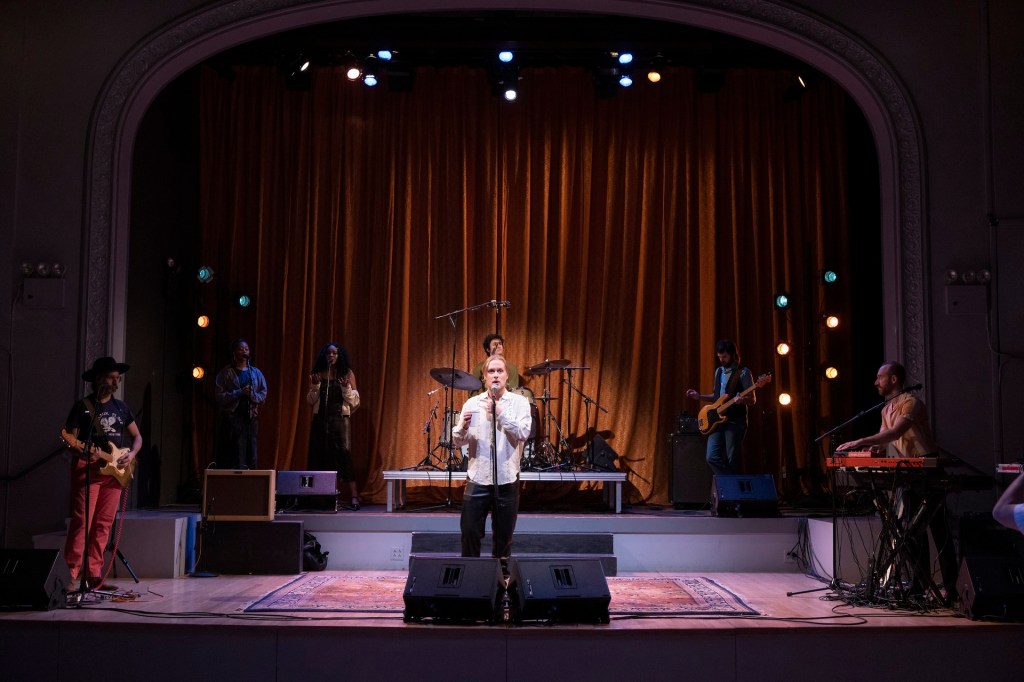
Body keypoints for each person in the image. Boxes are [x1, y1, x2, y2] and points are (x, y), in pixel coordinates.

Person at [837, 361, 958, 599]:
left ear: (893, 379)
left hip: (927, 469)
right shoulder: (885, 410)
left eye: (880, 377)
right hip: (908, 473)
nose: (876, 382)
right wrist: (865, 452)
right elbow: (884, 441)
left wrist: (859, 441)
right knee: (912, 532)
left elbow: (895, 433)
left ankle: (953, 588)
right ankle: (918, 585)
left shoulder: (911, 403)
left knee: (938, 530)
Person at [62, 356, 143, 589]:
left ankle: (93, 574)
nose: (117, 382)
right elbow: (70, 439)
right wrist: (84, 453)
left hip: (114, 473)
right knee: (82, 522)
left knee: (103, 524)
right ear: (100, 379)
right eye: (112, 377)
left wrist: (132, 453)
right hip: (88, 470)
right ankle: (71, 575)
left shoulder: (121, 407)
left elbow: (137, 437)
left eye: (118, 378)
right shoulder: (83, 407)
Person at [452, 355, 532, 566]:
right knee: (469, 531)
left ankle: (501, 583)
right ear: (484, 377)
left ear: (507, 376)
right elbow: (459, 441)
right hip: (478, 477)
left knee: (503, 538)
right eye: (491, 372)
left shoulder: (519, 403)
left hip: (506, 478)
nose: (495, 375)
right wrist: (462, 429)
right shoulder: (472, 403)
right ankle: (470, 578)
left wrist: (501, 413)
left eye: (499, 371)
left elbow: (523, 432)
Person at [685, 339, 755, 475]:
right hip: (716, 420)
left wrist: (742, 400)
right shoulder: (719, 371)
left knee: (732, 458)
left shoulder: (743, 372)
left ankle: (732, 491)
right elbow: (716, 397)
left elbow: (752, 399)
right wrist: (699, 397)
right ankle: (731, 483)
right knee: (711, 456)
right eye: (719, 357)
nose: (721, 360)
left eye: (724, 357)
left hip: (735, 421)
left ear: (732, 354)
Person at [307, 343, 361, 510]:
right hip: (320, 420)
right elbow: (310, 401)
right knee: (320, 455)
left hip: (339, 420)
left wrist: (346, 388)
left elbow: (355, 401)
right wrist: (315, 386)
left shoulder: (347, 373)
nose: (331, 356)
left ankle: (354, 495)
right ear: (324, 356)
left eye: (335, 353)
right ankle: (321, 497)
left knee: (344, 455)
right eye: (328, 353)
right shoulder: (318, 374)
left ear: (339, 356)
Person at [214, 339, 268, 469]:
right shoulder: (226, 373)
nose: (244, 351)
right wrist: (239, 392)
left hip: (251, 418)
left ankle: (252, 482)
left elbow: (263, 393)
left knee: (252, 452)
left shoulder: (255, 373)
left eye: (247, 349)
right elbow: (219, 396)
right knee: (236, 453)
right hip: (232, 419)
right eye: (241, 349)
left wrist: (252, 396)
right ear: (234, 352)